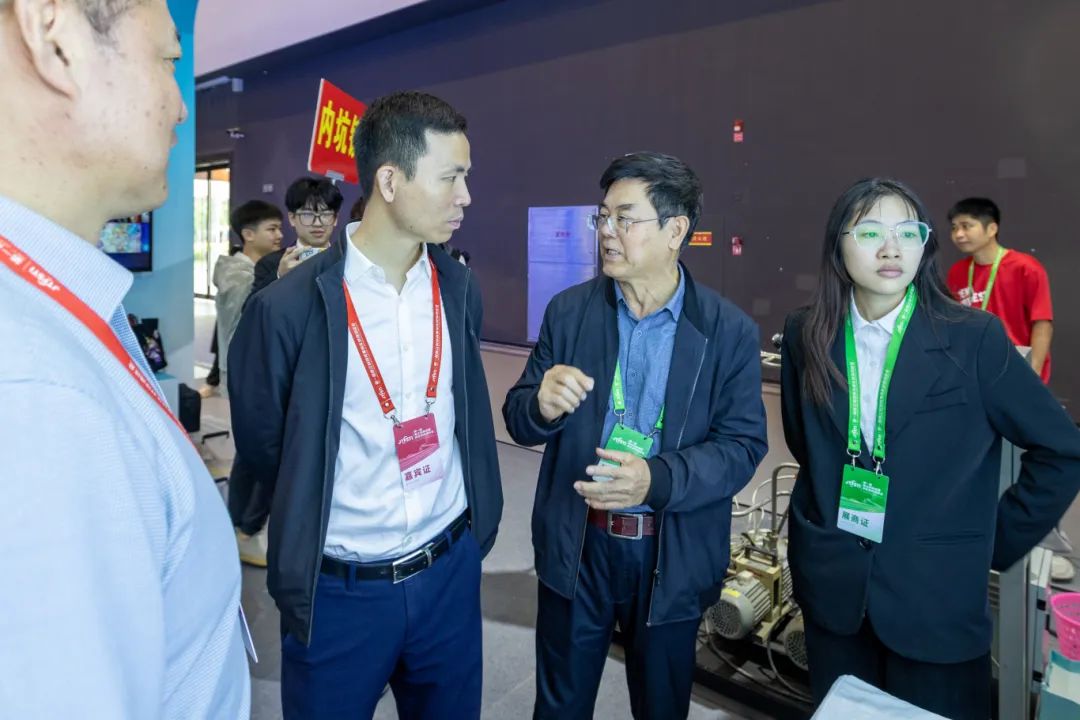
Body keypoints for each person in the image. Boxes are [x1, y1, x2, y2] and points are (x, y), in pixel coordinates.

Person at [0, 0, 249, 717]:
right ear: (56, 38)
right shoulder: (33, 394)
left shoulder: (52, 312)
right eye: (168, 60)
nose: (180, 104)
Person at [229, 90, 503, 719]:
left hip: (448, 571)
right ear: (389, 180)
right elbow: (266, 446)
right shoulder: (287, 308)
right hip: (341, 594)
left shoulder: (459, 287)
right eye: (451, 177)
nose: (466, 196)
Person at [779, 177, 1080, 719]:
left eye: (907, 232)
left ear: (924, 245)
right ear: (838, 244)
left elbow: (1062, 450)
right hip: (834, 586)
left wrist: (992, 541)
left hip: (936, 596)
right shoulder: (807, 332)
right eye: (870, 232)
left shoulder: (972, 337)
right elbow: (809, 445)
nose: (891, 248)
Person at [503, 152, 768, 719]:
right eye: (603, 217)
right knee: (560, 705)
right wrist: (539, 405)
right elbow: (519, 418)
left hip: (670, 552)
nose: (607, 232)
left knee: (661, 706)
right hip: (579, 544)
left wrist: (657, 479)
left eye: (625, 218)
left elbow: (742, 446)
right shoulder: (569, 313)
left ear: (675, 231)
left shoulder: (726, 332)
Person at [945, 197, 1054, 383]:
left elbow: (1042, 322)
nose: (958, 234)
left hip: (1016, 366)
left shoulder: (1026, 268)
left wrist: (1033, 372)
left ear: (992, 229)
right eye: (954, 228)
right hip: (974, 370)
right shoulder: (957, 272)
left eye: (966, 226)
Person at [213, 200, 283, 394]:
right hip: (244, 368)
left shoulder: (258, 270)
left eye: (279, 228)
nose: (279, 235)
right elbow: (250, 309)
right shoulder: (234, 274)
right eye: (272, 229)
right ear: (248, 234)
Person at [250, 176, 343, 298]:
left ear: (335, 219)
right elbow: (252, 307)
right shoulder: (271, 264)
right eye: (308, 215)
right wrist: (279, 276)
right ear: (292, 218)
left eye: (325, 214)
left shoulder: (345, 260)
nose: (317, 223)